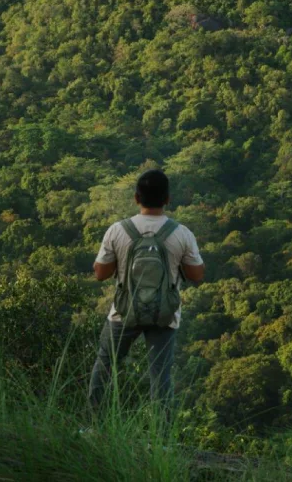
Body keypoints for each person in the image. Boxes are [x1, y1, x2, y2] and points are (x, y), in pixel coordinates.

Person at [89, 168, 205, 408]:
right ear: (167, 199)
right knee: (160, 375)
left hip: (123, 312)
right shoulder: (181, 233)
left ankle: (92, 424)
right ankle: (160, 438)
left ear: (136, 198)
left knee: (106, 364)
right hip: (164, 314)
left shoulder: (117, 230)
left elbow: (101, 274)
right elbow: (197, 275)